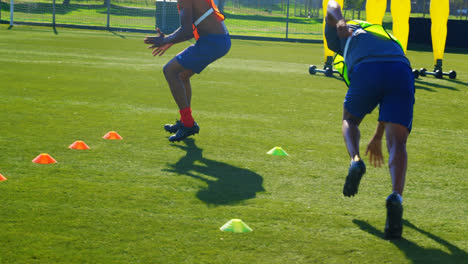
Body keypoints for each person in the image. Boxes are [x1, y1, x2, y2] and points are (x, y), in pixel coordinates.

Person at [324, 0, 415, 239]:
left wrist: (339, 19)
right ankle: (396, 196)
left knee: (350, 120)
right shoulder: (375, 31)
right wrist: (376, 137)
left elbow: (331, 4)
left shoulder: (338, 40)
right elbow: (385, 100)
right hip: (401, 69)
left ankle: (355, 160)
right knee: (398, 143)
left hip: (368, 69)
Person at [144, 0, 231, 142]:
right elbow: (190, 28)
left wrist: (165, 40)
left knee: (170, 70)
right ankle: (186, 121)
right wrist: (169, 40)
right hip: (216, 40)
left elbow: (187, 31)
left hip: (213, 42)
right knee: (182, 75)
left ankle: (188, 124)